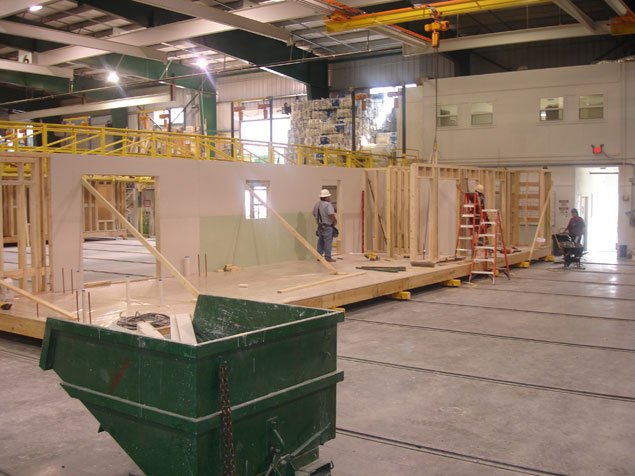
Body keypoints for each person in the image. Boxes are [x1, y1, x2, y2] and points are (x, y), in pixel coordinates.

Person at [313, 189, 337, 262]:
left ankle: (319, 256)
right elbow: (331, 214)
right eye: (329, 197)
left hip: (320, 226)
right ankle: (328, 257)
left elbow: (314, 213)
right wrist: (334, 221)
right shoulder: (328, 205)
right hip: (327, 226)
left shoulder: (317, 204)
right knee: (328, 241)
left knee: (320, 241)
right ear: (326, 197)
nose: (330, 198)